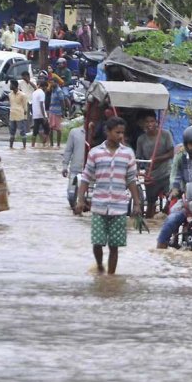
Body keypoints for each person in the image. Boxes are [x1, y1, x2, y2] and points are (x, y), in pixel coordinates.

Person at [74, 117, 141, 274]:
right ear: (108, 132)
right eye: (117, 132)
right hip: (99, 205)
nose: (120, 136)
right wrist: (80, 200)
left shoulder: (127, 154)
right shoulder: (95, 153)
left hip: (119, 206)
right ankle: (99, 266)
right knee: (97, 242)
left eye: (122, 133)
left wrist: (137, 203)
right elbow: (86, 177)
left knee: (114, 246)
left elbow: (131, 179)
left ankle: (111, 276)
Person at [135, 111, 174, 218]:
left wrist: (157, 159)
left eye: (152, 121)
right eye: (147, 122)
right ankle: (149, 224)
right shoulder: (141, 139)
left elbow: (171, 153)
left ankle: (165, 216)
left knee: (171, 198)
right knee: (151, 203)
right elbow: (138, 158)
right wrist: (136, 171)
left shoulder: (165, 135)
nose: (150, 124)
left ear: (156, 122)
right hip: (151, 175)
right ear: (143, 124)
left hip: (166, 172)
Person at [7, 79, 28, 148]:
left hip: (20, 116)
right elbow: (10, 104)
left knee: (22, 132)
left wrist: (25, 117)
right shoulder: (10, 95)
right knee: (12, 133)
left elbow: (25, 107)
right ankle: (11, 147)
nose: (10, 86)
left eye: (11, 85)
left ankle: (24, 147)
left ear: (14, 86)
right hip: (12, 115)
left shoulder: (22, 95)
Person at [31, 80, 50, 147]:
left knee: (35, 131)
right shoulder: (42, 93)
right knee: (47, 129)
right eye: (46, 87)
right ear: (44, 86)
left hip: (35, 114)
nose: (47, 89)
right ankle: (44, 143)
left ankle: (32, 145)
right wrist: (44, 116)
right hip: (41, 115)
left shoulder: (34, 92)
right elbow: (41, 104)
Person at [48, 81, 65, 148]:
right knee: (50, 128)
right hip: (51, 111)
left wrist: (63, 111)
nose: (51, 84)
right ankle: (51, 144)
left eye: (52, 82)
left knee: (58, 129)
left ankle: (58, 145)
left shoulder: (59, 91)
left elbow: (62, 101)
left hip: (57, 111)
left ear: (56, 83)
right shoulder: (53, 90)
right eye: (51, 82)